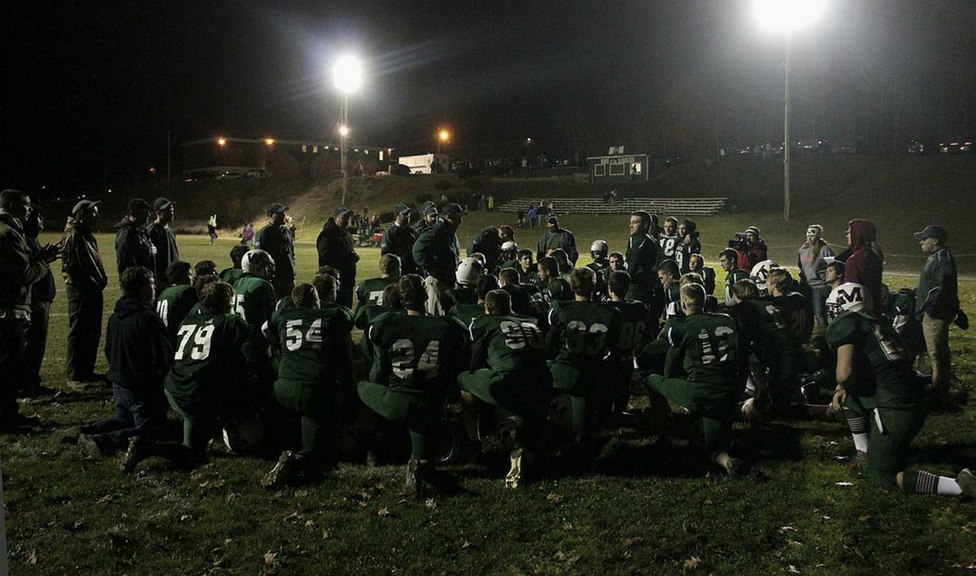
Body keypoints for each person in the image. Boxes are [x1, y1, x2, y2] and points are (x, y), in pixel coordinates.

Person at [825, 283, 976, 497]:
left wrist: (842, 383)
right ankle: (864, 452)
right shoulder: (879, 322)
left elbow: (845, 374)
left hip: (896, 410)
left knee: (882, 475)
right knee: (848, 397)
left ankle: (959, 485)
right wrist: (843, 388)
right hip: (911, 397)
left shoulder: (847, 322)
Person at [357, 274, 467, 498]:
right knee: (422, 454)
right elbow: (458, 355)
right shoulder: (447, 325)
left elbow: (374, 355)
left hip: (396, 400)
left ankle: (373, 447)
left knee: (361, 385)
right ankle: (418, 463)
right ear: (426, 295)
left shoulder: (385, 323)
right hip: (430, 403)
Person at [122, 281, 252, 471]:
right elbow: (242, 360)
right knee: (195, 454)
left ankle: (206, 429)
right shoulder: (230, 322)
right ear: (227, 302)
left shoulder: (188, 320)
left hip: (174, 388)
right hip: (195, 394)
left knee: (196, 434)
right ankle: (146, 448)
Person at [56, 266, 173, 457]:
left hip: (120, 385)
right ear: (142, 288)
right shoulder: (147, 318)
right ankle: (99, 441)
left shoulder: (116, 315)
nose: (154, 289)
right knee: (153, 430)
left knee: (125, 421)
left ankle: (83, 430)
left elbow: (109, 349)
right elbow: (161, 356)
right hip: (140, 387)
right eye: (151, 284)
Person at [644, 283, 747, 476]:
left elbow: (669, 372)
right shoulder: (727, 320)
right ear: (705, 300)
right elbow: (742, 360)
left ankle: (668, 432)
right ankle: (728, 462)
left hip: (701, 392)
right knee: (712, 446)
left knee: (651, 380)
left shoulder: (681, 327)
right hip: (728, 393)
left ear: (683, 303)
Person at [261, 279, 354, 488]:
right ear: (317, 300)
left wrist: (277, 349)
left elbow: (265, 329)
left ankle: (278, 443)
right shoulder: (333, 315)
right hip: (313, 390)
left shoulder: (281, 315)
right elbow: (349, 319)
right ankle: (294, 462)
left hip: (283, 388)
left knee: (296, 421)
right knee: (318, 450)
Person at [458, 289, 550, 488]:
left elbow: (474, 363)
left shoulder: (486, 322)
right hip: (544, 385)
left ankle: (477, 439)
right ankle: (514, 437)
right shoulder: (530, 321)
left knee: (465, 379)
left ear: (488, 307)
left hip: (512, 385)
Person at [0, 189, 57, 431]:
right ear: (12, 205)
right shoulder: (9, 233)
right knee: (9, 366)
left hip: (7, 308)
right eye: (25, 204)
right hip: (9, 310)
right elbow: (23, 275)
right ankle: (8, 418)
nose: (29, 210)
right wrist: (43, 263)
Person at [546, 267, 621, 444]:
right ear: (594, 286)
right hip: (591, 374)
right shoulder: (610, 313)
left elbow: (548, 344)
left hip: (563, 371)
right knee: (581, 429)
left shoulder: (561, 308)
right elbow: (613, 349)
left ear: (572, 286)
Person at [62, 199, 109, 390]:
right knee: (80, 331)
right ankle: (75, 375)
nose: (96, 217)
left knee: (91, 331)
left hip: (91, 290)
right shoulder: (75, 236)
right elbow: (76, 268)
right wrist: (92, 283)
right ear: (80, 215)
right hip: (82, 291)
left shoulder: (85, 234)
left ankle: (86, 371)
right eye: (92, 213)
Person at [913, 225, 959, 397]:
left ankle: (939, 392)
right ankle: (939, 386)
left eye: (924, 239)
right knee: (937, 353)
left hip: (935, 316)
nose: (921, 242)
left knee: (937, 354)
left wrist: (930, 310)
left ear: (935, 241)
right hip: (934, 313)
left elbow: (942, 287)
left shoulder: (941, 259)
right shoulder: (937, 257)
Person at [602, 271, 649, 416]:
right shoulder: (640, 308)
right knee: (622, 396)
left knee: (605, 398)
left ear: (610, 287)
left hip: (610, 359)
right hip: (628, 359)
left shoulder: (607, 309)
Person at [23, 206, 57, 397]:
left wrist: (45, 256)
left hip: (41, 300)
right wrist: (44, 259)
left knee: (37, 346)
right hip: (35, 302)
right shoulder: (25, 241)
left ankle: (33, 382)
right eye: (39, 218)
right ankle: (28, 384)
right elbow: (29, 271)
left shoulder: (32, 240)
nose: (42, 221)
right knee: (32, 346)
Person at [413, 203, 465, 316]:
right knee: (437, 316)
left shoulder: (448, 231)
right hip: (437, 283)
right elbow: (418, 250)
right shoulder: (437, 231)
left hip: (447, 281)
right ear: (449, 216)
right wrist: (432, 270)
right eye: (459, 217)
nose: (461, 221)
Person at [316, 206, 360, 308]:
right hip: (333, 281)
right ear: (336, 218)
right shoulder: (327, 235)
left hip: (347, 279)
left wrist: (354, 256)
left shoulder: (346, 234)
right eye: (344, 217)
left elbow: (348, 252)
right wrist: (347, 259)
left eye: (348, 218)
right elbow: (326, 257)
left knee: (346, 309)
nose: (347, 220)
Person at [626, 211, 663, 329]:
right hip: (650, 285)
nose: (630, 226)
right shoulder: (654, 240)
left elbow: (635, 263)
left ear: (646, 225)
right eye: (631, 222)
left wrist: (624, 279)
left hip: (637, 287)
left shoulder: (638, 238)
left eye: (635, 222)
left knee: (633, 321)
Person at [797, 224, 836, 329]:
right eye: (808, 234)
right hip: (805, 286)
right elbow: (801, 266)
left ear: (818, 236)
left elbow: (834, 266)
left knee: (819, 313)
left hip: (819, 287)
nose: (809, 237)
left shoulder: (825, 250)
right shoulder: (802, 250)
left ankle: (823, 335)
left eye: (812, 235)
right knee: (807, 312)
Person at [255, 203, 296, 299]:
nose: (284, 215)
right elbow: (259, 257)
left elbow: (291, 253)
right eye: (280, 213)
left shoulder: (286, 232)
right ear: (272, 215)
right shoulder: (264, 233)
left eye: (284, 213)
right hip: (275, 279)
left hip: (288, 278)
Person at [843, 219, 882, 312]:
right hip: (872, 306)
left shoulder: (855, 260)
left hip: (858, 310)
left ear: (858, 234)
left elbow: (852, 292)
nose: (847, 236)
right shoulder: (872, 255)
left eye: (849, 232)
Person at [155, 261, 198, 346]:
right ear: (182, 276)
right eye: (189, 274)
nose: (192, 278)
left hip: (165, 338)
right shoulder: (186, 290)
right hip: (178, 338)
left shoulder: (164, 293)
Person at [115, 198, 155, 276]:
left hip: (145, 281)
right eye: (145, 212)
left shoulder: (140, 231)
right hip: (138, 284)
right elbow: (126, 265)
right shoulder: (127, 233)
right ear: (133, 213)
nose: (149, 215)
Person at [147, 197, 179, 284]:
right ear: (158, 212)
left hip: (172, 278)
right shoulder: (151, 231)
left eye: (172, 211)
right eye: (168, 211)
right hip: (160, 280)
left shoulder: (171, 231)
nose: (171, 213)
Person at [381, 204, 418, 275]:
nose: (408, 216)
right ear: (397, 216)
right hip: (397, 271)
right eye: (405, 214)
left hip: (412, 270)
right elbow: (386, 254)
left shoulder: (412, 232)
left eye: (408, 214)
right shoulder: (390, 233)